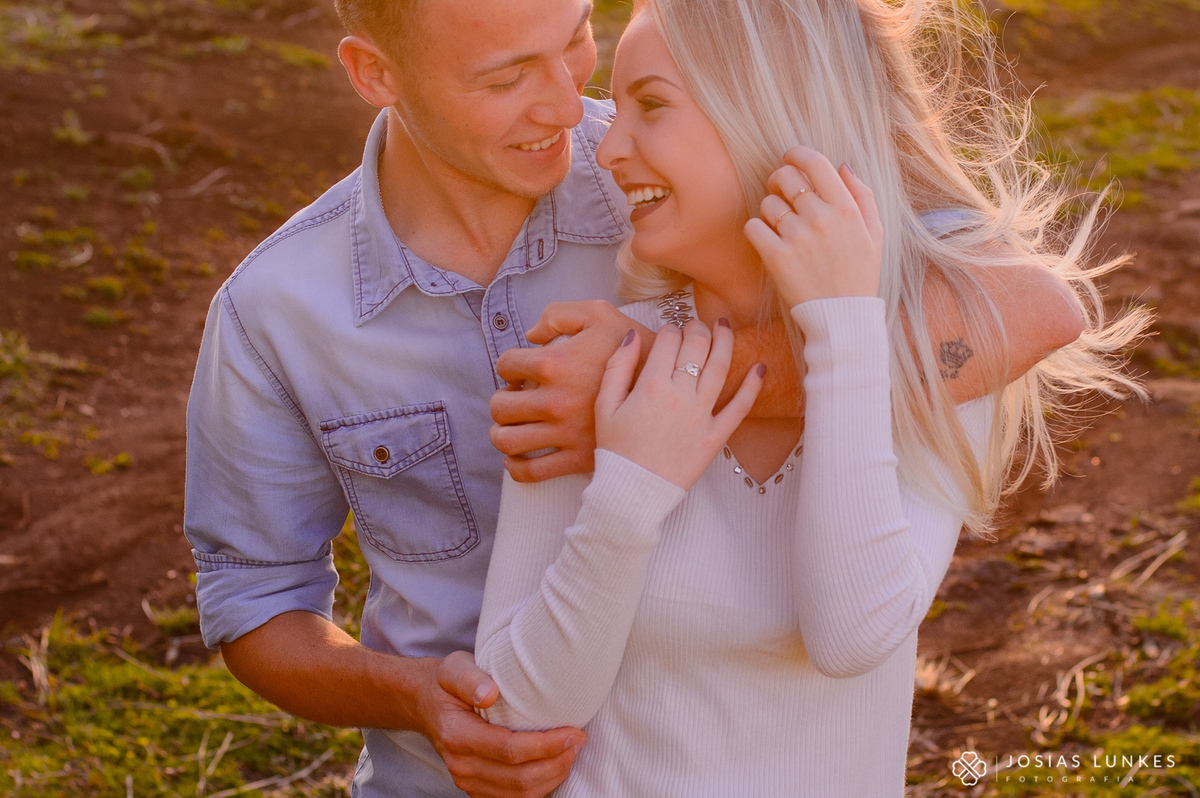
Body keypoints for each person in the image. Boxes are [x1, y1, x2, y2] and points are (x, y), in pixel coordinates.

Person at [183, 0, 1090, 796]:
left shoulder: (688, 172)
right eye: (506, 77)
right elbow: (254, 600)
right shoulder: (274, 309)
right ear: (375, 73)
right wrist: (420, 700)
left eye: (576, 39)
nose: (569, 108)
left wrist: (669, 372)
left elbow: (1032, 304)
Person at [473, 0, 1146, 795]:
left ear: (768, 107)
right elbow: (513, 711)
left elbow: (852, 635)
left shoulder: (919, 356)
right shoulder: (596, 361)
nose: (609, 149)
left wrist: (841, 328)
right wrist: (629, 490)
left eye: (651, 105)